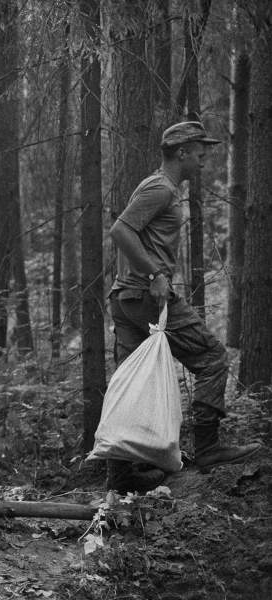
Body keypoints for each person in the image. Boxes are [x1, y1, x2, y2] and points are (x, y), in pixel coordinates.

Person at [106, 121, 262, 494]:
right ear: (181, 153)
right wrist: (155, 274)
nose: (204, 159)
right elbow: (120, 231)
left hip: (126, 296)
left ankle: (122, 478)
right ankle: (207, 448)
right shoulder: (160, 188)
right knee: (211, 357)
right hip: (145, 295)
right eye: (199, 152)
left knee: (130, 384)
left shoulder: (159, 187)